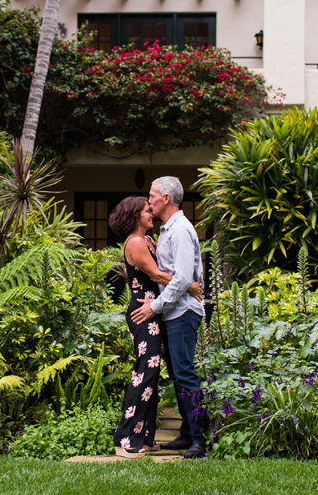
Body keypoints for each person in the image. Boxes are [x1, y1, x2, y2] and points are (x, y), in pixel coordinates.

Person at [108, 196, 202, 458]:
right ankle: (126, 438)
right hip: (142, 312)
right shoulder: (136, 242)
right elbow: (157, 275)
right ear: (134, 215)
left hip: (153, 310)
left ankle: (145, 436)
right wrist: (189, 284)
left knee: (151, 373)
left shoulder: (149, 239)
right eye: (146, 211)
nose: (151, 213)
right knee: (144, 373)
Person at [131, 176, 206, 459]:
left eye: (152, 195)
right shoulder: (167, 230)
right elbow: (170, 272)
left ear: (166, 198)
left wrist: (155, 306)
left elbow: (183, 277)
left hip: (183, 312)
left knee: (185, 373)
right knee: (178, 375)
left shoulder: (181, 231)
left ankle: (199, 439)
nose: (148, 199)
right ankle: (187, 434)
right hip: (173, 312)